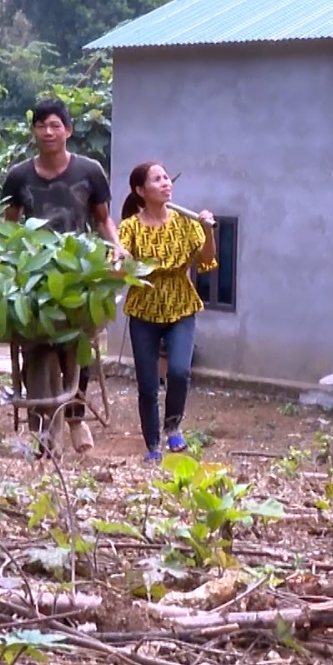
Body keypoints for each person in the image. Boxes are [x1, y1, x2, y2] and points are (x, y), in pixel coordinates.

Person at [0, 97, 120, 454]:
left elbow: (102, 219)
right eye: (41, 125)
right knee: (34, 342)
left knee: (80, 344)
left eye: (55, 125)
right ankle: (42, 427)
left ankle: (76, 417)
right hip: (34, 271)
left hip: (78, 270)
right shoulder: (19, 175)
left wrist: (116, 248)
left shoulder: (89, 171)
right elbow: (8, 226)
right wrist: (2, 262)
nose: (48, 132)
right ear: (33, 131)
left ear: (68, 130)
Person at [116, 161, 217, 462]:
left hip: (181, 305)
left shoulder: (186, 222)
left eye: (166, 178)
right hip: (144, 308)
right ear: (140, 190)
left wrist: (207, 231)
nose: (165, 183)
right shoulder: (129, 228)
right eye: (157, 179)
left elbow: (207, 261)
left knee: (179, 371)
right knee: (148, 383)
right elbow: (118, 267)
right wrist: (117, 260)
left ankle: (173, 427)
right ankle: (152, 446)